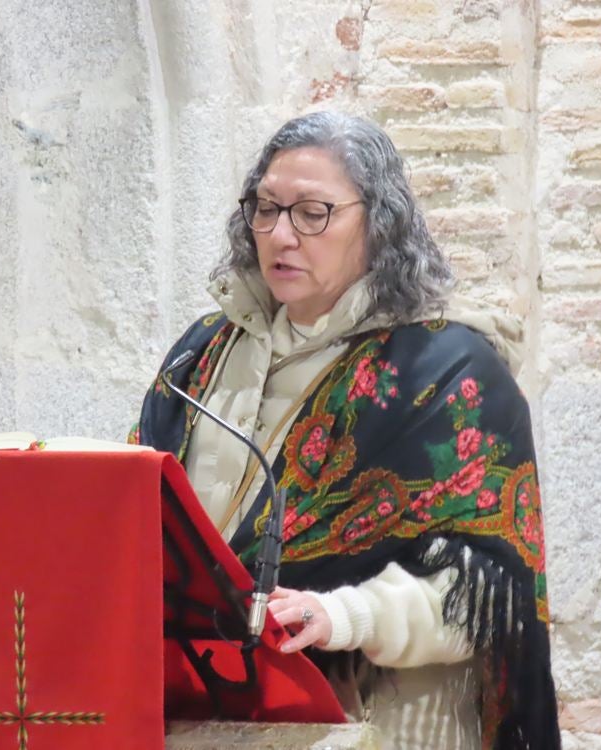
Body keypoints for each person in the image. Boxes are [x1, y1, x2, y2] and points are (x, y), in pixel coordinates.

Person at [131, 111, 560, 749]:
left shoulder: (446, 371)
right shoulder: (203, 352)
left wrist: (339, 614)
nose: (281, 234)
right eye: (266, 207)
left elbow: (489, 600)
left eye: (313, 213)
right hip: (202, 705)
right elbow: (149, 515)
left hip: (379, 716)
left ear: (379, 223)